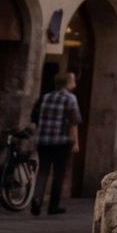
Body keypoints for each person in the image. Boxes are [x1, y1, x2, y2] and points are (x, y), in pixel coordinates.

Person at [31, 65, 79, 216]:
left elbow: (35, 117)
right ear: (68, 83)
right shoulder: (70, 98)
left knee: (43, 170)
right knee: (59, 173)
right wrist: (75, 142)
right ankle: (53, 204)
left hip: (43, 139)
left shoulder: (46, 97)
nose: (75, 82)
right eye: (73, 80)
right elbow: (73, 121)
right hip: (61, 140)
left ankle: (37, 199)